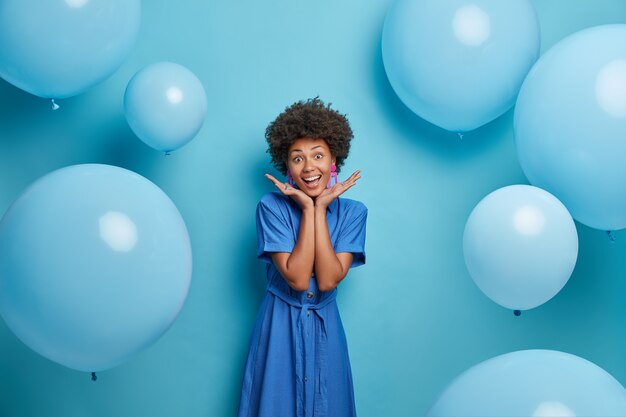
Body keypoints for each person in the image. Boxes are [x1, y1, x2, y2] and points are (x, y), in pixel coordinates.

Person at [237, 97, 367, 417]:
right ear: (287, 166)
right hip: (279, 325)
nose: (309, 168)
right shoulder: (271, 207)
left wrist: (320, 207)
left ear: (334, 158)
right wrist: (309, 209)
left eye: (318, 156)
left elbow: (327, 279)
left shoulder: (353, 212)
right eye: (297, 159)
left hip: (326, 327)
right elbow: (296, 279)